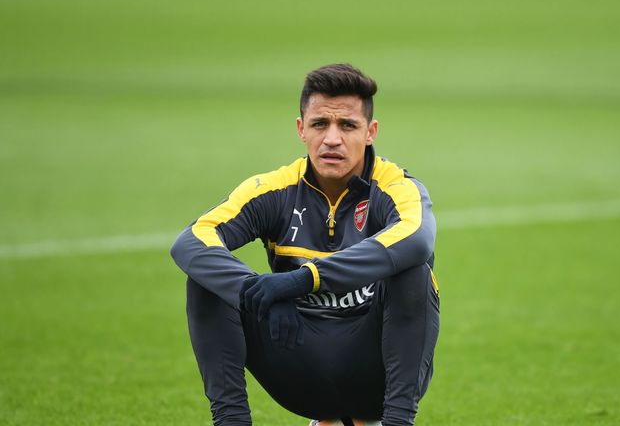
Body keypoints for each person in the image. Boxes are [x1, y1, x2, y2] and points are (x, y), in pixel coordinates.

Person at [170, 63, 440, 426]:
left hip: (376, 378)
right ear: (301, 129)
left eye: (347, 126)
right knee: (204, 279)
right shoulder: (274, 189)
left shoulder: (395, 186)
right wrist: (255, 289)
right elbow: (191, 240)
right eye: (319, 124)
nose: (332, 139)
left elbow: (417, 237)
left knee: (414, 275)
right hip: (298, 368)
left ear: (370, 132)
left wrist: (303, 279)